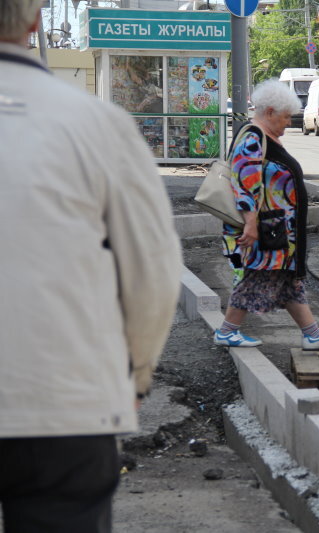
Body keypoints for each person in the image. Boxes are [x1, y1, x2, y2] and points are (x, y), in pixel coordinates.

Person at [0, 1, 182, 532]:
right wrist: (137, 374)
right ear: (35, 21)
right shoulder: (97, 124)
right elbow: (151, 271)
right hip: (63, 405)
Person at [215, 80, 319, 351]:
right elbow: (244, 183)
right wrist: (250, 224)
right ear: (270, 112)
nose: (289, 123)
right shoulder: (253, 138)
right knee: (256, 278)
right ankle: (227, 331)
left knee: (289, 283)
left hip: (277, 230)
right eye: (286, 117)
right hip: (265, 230)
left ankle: (312, 334)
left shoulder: (265, 138)